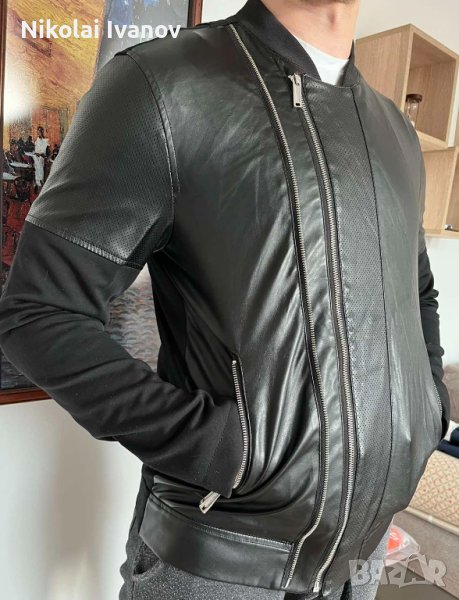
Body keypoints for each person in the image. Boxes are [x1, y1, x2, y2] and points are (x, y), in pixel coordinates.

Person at [0, 0, 450, 599]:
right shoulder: (162, 85)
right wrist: (221, 449)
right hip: (222, 564)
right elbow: (39, 311)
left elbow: (416, 291)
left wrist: (429, 406)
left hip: (361, 560)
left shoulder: (394, 130)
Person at [32, 125, 50, 190]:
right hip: (36, 156)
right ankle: (39, 181)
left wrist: (42, 154)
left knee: (39, 165)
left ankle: (39, 181)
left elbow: (46, 151)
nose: (38, 132)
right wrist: (37, 153)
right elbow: (36, 150)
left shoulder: (45, 140)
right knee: (37, 164)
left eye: (40, 131)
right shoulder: (36, 141)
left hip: (42, 156)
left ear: (42, 132)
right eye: (38, 131)